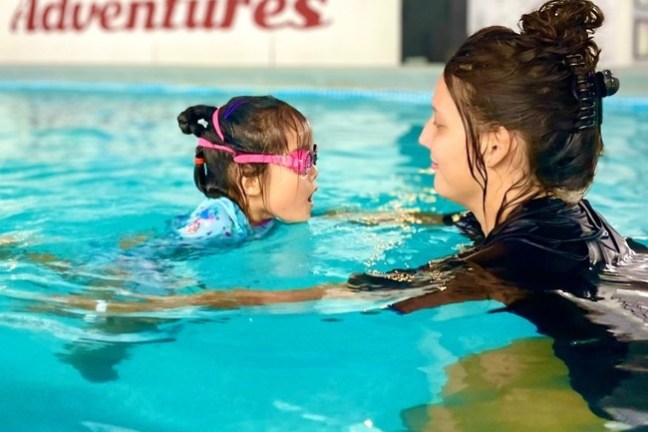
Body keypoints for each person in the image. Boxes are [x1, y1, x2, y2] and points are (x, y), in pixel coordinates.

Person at [43, 0, 648, 426]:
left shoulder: (518, 256)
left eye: (438, 123)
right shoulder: (557, 230)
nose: (422, 140)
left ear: (494, 145)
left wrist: (164, 307)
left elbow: (343, 295)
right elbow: (431, 234)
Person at [173, 96, 318, 245]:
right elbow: (160, 254)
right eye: (303, 161)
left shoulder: (262, 213)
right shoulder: (215, 224)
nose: (314, 172)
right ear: (251, 181)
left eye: (313, 158)